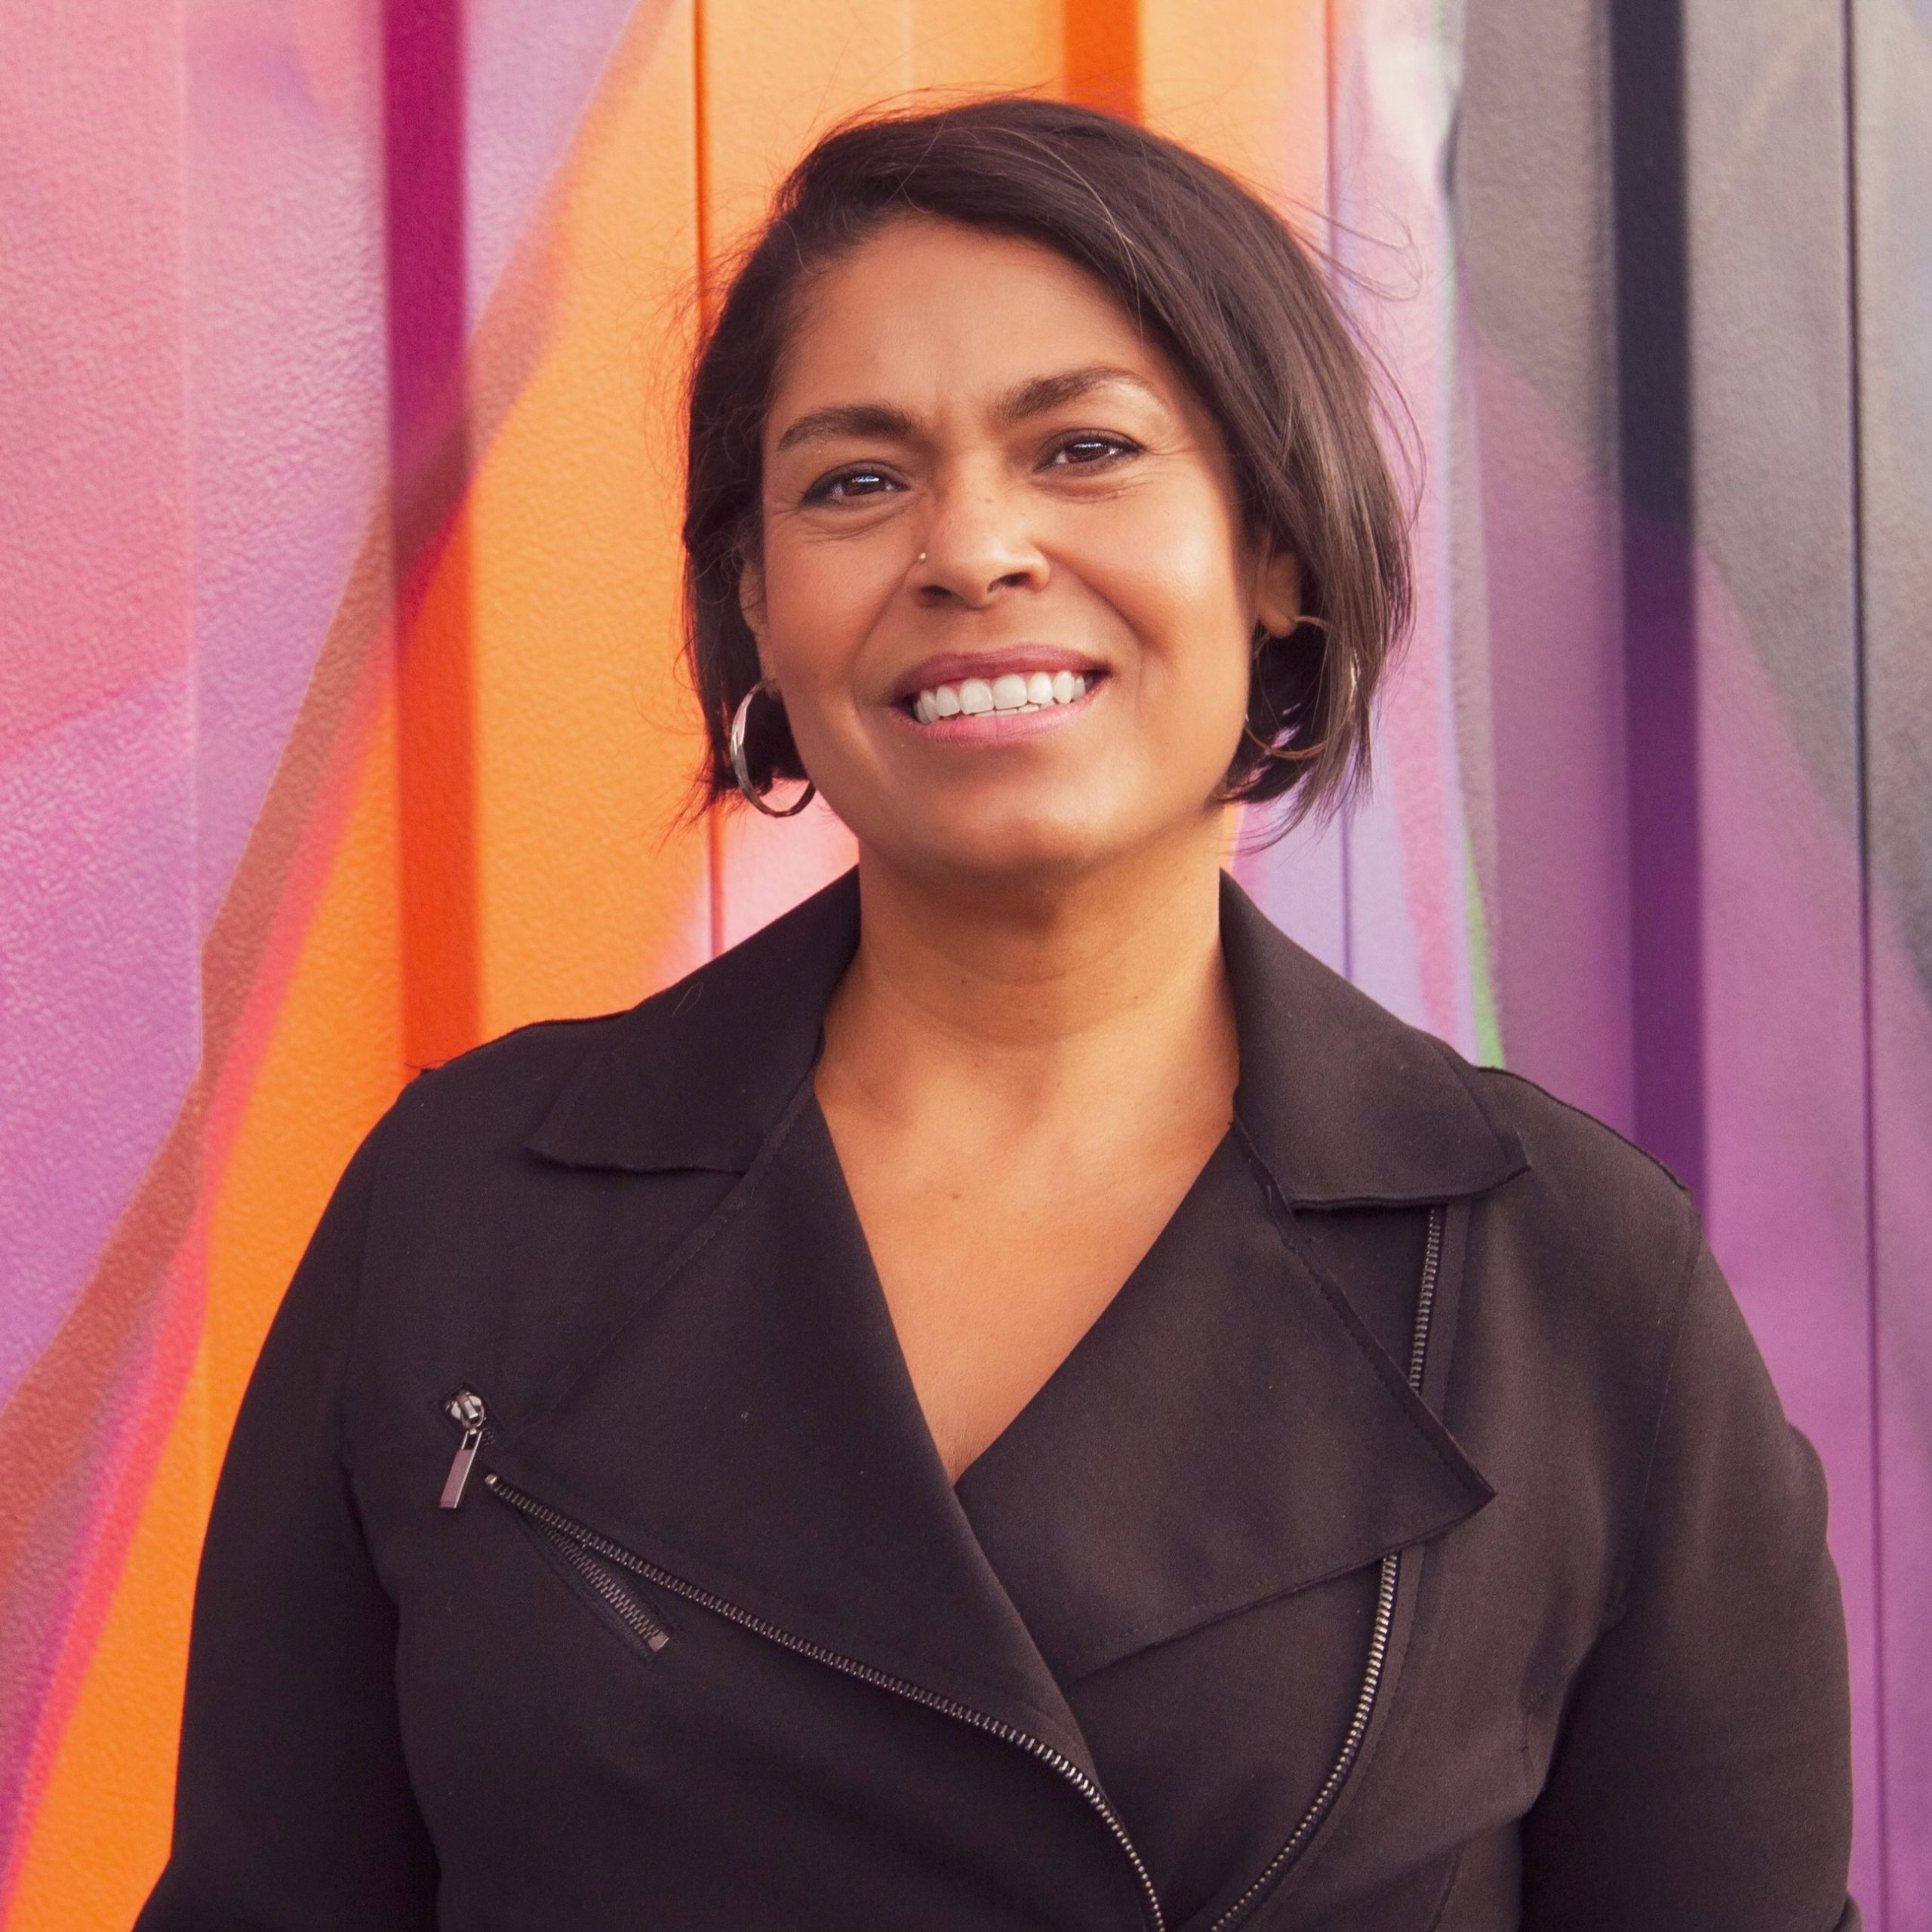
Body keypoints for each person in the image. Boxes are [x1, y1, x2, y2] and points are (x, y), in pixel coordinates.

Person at [138, 97, 1857, 1931]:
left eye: (1083, 448)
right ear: (756, 599)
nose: (968, 546)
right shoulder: (466, 1206)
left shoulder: (1566, 1280)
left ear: (1273, 548)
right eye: (853, 481)